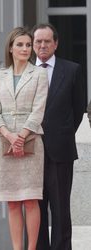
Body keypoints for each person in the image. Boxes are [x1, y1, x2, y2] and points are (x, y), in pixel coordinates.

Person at [0, 27, 48, 250]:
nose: (25, 49)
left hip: (31, 140)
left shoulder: (39, 74)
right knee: (12, 202)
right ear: (11, 48)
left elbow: (38, 110)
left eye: (27, 45)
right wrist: (8, 135)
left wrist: (21, 136)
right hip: (5, 141)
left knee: (30, 200)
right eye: (20, 45)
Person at [32, 23, 85, 250]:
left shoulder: (72, 70)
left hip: (60, 151)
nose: (42, 45)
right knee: (36, 210)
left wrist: (60, 134)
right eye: (38, 41)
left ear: (56, 43)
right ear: (33, 45)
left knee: (61, 210)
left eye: (47, 41)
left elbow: (78, 108)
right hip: (30, 151)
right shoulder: (23, 70)